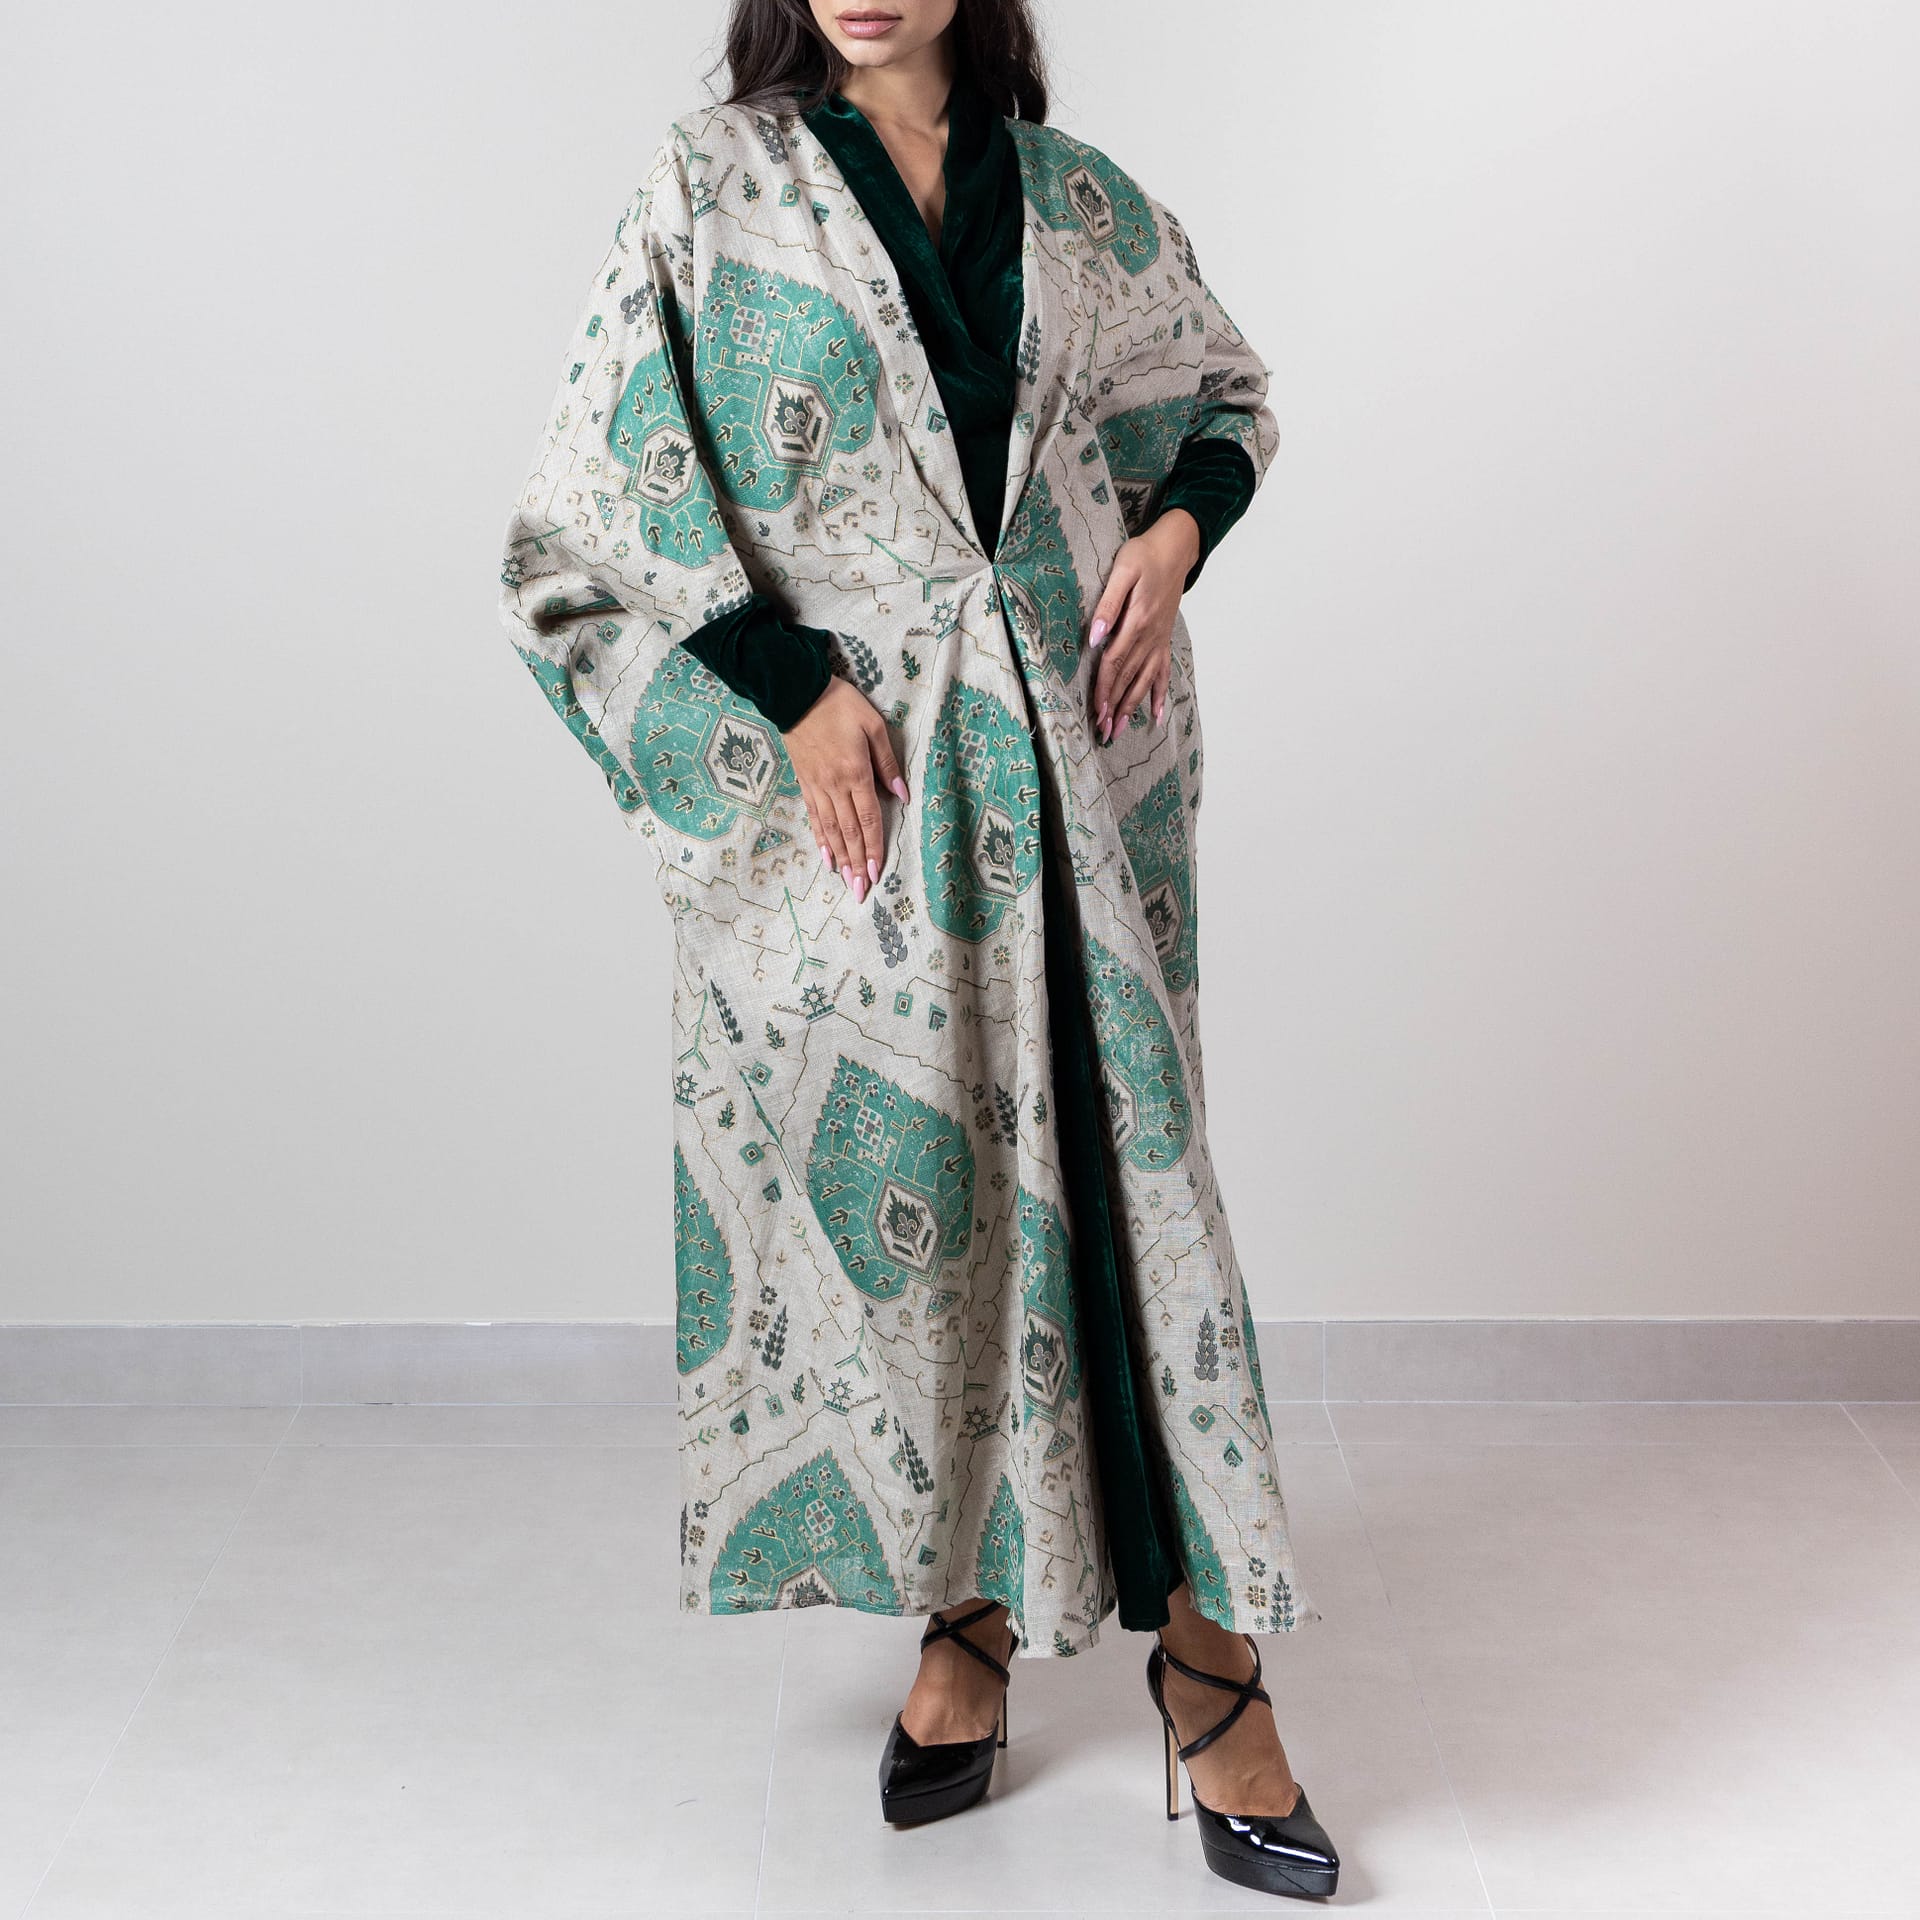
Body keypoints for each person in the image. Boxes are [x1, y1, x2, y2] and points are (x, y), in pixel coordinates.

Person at [496, 0, 1340, 1897]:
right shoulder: (711, 190)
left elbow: (1224, 397)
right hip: (869, 803)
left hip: (1085, 787)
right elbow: (589, 513)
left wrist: (1171, 544)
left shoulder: (1075, 200)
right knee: (930, 1209)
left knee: (1132, 1204)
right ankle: (967, 1614)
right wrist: (791, 692)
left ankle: (1211, 1661)